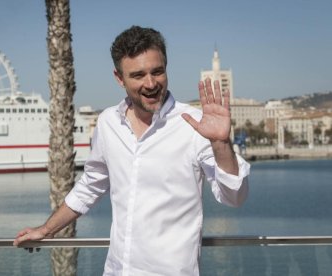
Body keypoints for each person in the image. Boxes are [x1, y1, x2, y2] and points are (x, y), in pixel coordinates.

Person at [14, 25, 250, 276]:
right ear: (119, 78)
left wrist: (221, 143)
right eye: (138, 75)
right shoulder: (108, 123)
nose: (150, 84)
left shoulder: (195, 125)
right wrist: (47, 230)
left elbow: (234, 196)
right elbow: (90, 186)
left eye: (157, 72)